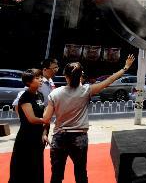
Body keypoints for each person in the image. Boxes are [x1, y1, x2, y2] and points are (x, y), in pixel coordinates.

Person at [42, 54, 135, 183]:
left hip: (59, 137)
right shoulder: (86, 90)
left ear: (65, 76)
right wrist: (125, 68)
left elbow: (46, 118)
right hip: (79, 137)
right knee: (80, 173)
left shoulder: (55, 93)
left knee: (56, 175)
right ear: (80, 76)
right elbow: (109, 80)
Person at [9, 69, 50, 183]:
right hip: (26, 138)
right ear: (28, 82)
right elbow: (31, 119)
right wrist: (46, 120)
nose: (41, 79)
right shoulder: (25, 97)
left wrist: (45, 133)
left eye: (41, 77)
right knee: (22, 168)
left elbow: (44, 114)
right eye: (37, 78)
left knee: (36, 167)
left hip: (38, 137)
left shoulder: (40, 95)